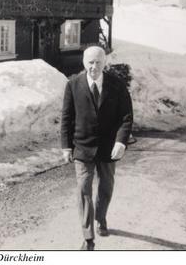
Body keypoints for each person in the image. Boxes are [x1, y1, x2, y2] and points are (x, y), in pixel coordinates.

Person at [61, 46, 133, 250]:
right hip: (82, 147)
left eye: (98, 62)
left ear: (105, 62)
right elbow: (67, 118)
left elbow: (126, 117)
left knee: (106, 187)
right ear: (84, 62)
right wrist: (66, 146)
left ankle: (101, 218)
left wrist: (121, 142)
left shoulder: (116, 85)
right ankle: (88, 236)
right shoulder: (73, 84)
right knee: (83, 189)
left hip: (109, 147)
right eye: (90, 62)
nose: (94, 67)